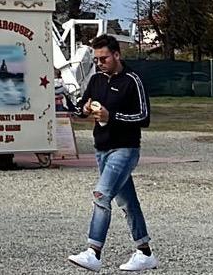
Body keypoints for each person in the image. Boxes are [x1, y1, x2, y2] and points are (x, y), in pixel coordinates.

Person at [68, 34, 156, 272]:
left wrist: (112, 117)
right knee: (128, 202)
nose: (100, 63)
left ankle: (93, 252)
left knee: (101, 195)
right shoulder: (96, 80)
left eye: (104, 58)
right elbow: (80, 109)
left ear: (117, 55)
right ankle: (145, 252)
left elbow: (144, 117)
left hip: (125, 148)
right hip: (102, 149)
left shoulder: (132, 80)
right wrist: (84, 109)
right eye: (96, 59)